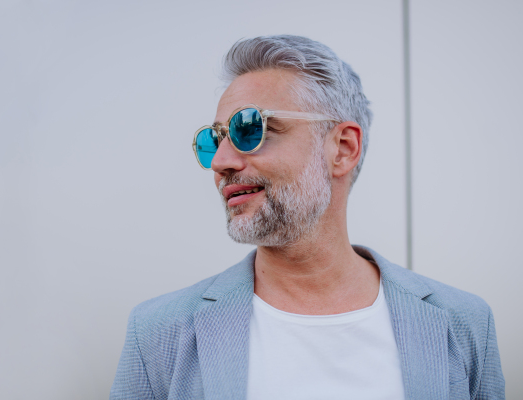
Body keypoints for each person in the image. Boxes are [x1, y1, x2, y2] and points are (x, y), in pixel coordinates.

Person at [110, 35, 504, 400]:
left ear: (343, 149)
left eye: (250, 128)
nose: (221, 162)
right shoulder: (159, 332)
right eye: (214, 140)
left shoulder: (463, 323)